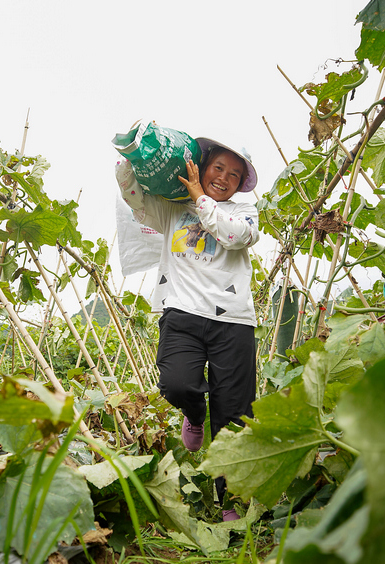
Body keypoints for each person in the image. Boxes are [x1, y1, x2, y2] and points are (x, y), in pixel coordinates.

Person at [116, 138, 259, 522]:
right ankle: (195, 415)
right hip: (182, 312)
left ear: (241, 182)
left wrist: (199, 195)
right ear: (202, 164)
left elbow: (233, 236)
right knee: (178, 384)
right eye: (218, 168)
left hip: (233, 320)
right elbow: (134, 196)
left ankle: (231, 501)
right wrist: (132, 155)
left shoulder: (245, 210)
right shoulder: (173, 210)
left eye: (234, 174)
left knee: (234, 414)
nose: (224, 178)